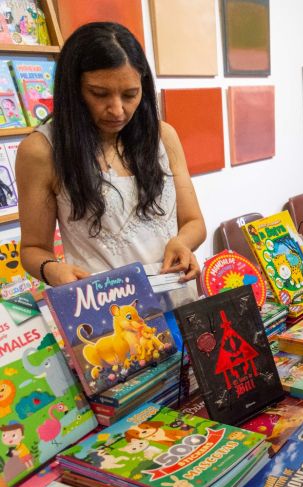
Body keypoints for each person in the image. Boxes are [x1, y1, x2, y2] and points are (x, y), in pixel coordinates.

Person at [17, 22, 205, 290]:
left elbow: (194, 222)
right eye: (99, 94)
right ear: (74, 89)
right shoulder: (42, 150)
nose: (117, 110)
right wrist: (53, 270)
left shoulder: (162, 137)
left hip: (175, 295)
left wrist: (181, 242)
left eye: (130, 94)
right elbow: (33, 248)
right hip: (106, 309)